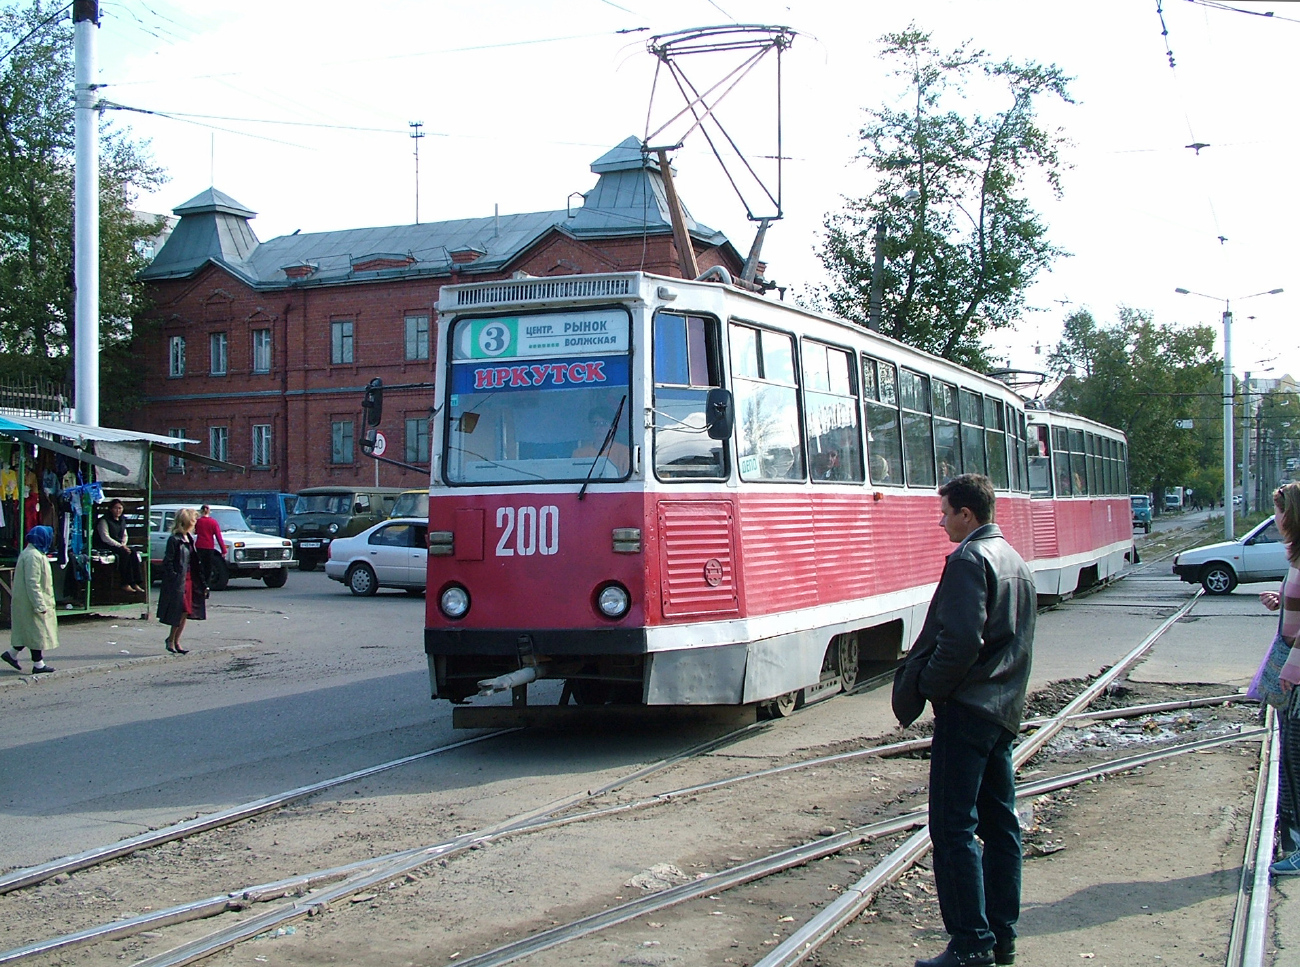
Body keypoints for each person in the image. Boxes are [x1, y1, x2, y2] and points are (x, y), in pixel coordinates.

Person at [892, 474, 1036, 967]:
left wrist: (930, 688)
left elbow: (959, 642)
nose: (941, 520)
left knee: (952, 828)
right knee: (1001, 826)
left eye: (946, 511)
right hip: (1003, 711)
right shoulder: (1014, 560)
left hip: (968, 710)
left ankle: (972, 943)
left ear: (967, 516)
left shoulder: (969, 561)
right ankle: (1002, 938)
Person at [1265, 482, 1300, 874]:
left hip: (1299, 672)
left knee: (1298, 757)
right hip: (1295, 667)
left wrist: (1292, 667)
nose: (1275, 519)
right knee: (1291, 757)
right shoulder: (1296, 558)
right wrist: (1279, 599)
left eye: (1279, 511)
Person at [1, 526, 60, 674]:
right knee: (37, 632)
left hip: (27, 600)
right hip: (31, 601)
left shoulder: (32, 553)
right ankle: (38, 665)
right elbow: (33, 582)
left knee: (29, 632)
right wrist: (39, 604)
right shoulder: (34, 556)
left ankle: (12, 654)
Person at [157, 508, 207, 654]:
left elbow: (194, 561)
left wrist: (203, 583)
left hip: (190, 578)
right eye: (194, 519)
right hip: (179, 580)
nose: (195, 522)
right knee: (180, 610)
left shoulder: (189, 538)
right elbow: (168, 561)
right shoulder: (175, 539)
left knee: (185, 611)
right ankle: (171, 640)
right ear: (188, 521)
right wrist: (174, 577)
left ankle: (176, 640)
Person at [94, 499, 146, 594]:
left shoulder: (122, 520)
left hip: (120, 545)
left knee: (133, 552)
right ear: (110, 509)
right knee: (124, 554)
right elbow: (105, 537)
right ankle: (124, 583)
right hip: (107, 545)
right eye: (115, 508)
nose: (118, 510)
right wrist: (120, 546)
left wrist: (123, 544)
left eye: (120, 508)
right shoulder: (104, 521)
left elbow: (125, 535)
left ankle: (135, 582)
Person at [572, 405, 630, 474]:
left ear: (612, 427)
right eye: (595, 424)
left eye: (604, 424)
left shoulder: (624, 452)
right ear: (591, 427)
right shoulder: (579, 454)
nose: (599, 428)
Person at [193, 504, 226, 589]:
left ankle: (199, 583)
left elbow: (195, 532)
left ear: (201, 511)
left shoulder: (198, 521)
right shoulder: (213, 522)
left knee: (200, 565)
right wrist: (223, 550)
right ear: (209, 511)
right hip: (209, 546)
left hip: (199, 545)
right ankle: (206, 585)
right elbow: (219, 537)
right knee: (208, 566)